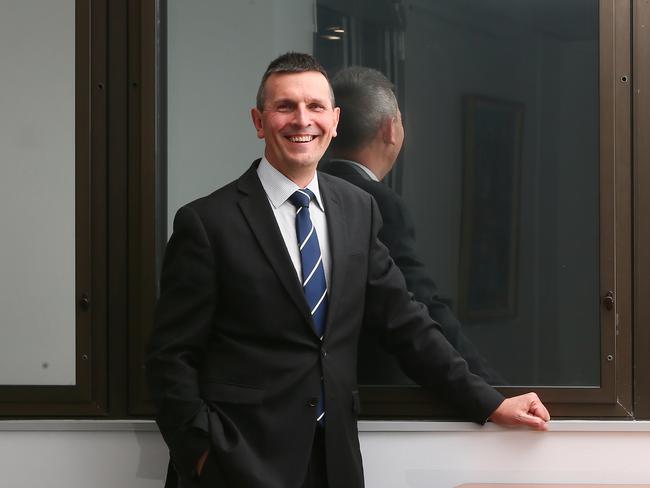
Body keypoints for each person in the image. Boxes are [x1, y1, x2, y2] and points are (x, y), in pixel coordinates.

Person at [146, 52, 549, 488]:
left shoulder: (358, 209)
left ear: (334, 120)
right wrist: (204, 455)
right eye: (285, 107)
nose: (303, 120)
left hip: (333, 461)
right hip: (237, 464)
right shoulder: (207, 223)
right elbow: (171, 357)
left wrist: (490, 402)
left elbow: (406, 323)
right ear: (259, 122)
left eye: (316, 107)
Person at [320, 66, 504, 385]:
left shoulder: (307, 194)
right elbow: (419, 303)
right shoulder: (378, 203)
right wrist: (494, 388)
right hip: (376, 398)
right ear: (391, 129)